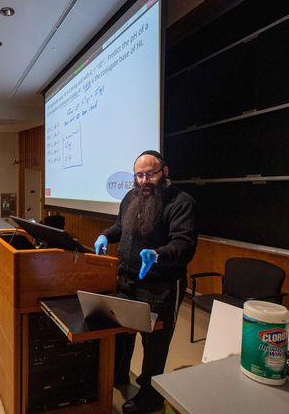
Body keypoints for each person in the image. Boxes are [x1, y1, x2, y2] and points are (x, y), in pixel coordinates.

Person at [94, 150, 198, 414]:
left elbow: (184, 245)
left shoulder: (181, 202)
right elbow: (121, 227)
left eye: (149, 174)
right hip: (126, 281)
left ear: (164, 172)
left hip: (160, 286)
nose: (144, 180)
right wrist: (106, 235)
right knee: (121, 333)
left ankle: (151, 397)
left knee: (155, 345)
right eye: (139, 175)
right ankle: (118, 376)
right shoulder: (131, 197)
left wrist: (158, 254)